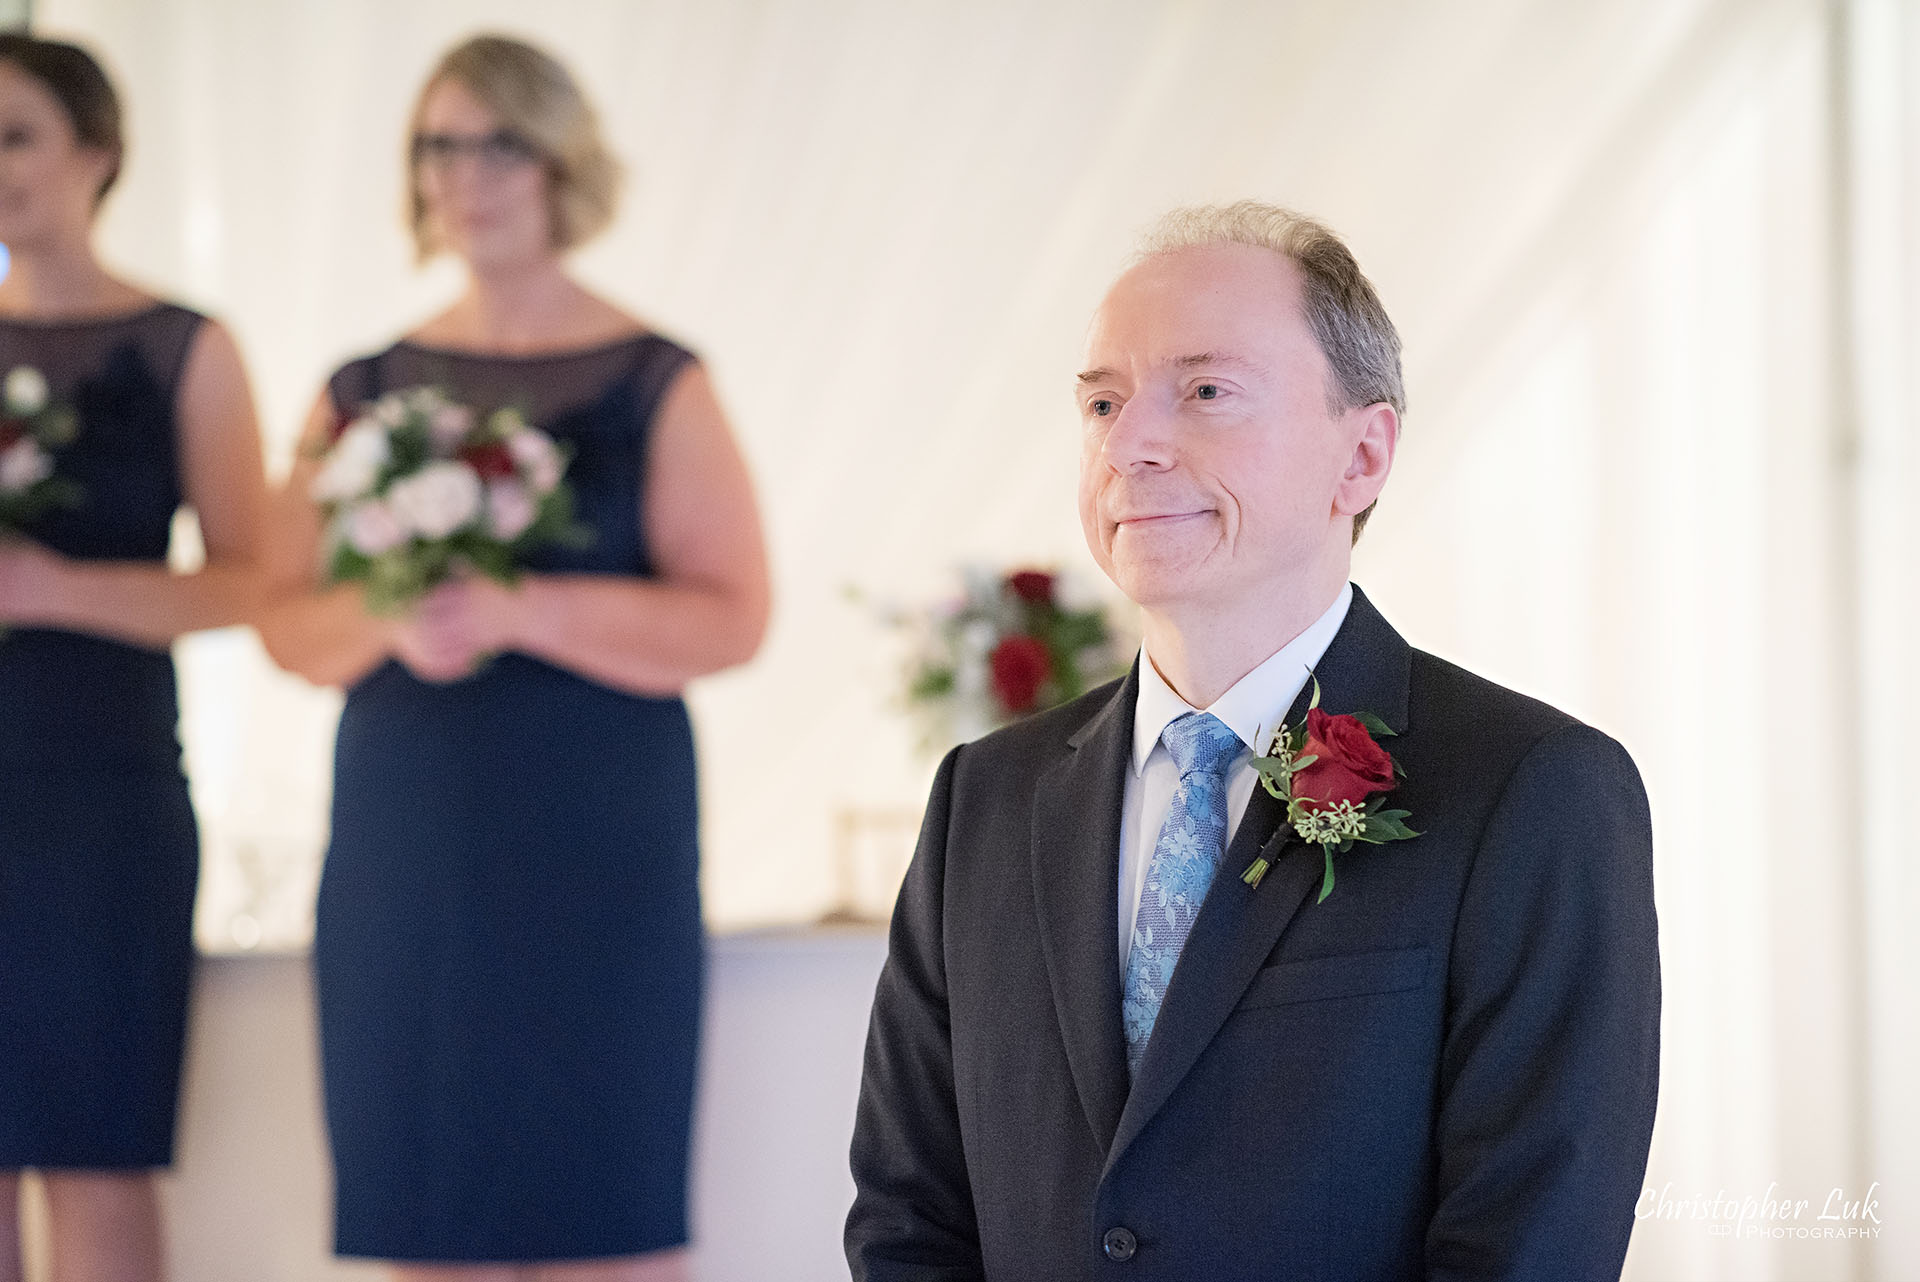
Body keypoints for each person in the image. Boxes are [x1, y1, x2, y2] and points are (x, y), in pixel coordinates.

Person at [846, 201, 1660, 1280]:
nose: (1129, 443)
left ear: (1362, 455)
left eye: (1205, 391)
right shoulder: (985, 800)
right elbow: (909, 1217)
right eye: (1101, 401)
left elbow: (1532, 1240)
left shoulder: (1532, 790)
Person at [257, 33, 768, 1281]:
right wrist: (388, 622)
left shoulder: (659, 379)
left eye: (497, 144)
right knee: (429, 1221)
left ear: (558, 164)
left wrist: (521, 608)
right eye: (439, 145)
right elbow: (284, 621)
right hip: (412, 849)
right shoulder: (361, 389)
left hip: (600, 847)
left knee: (610, 1218)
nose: (463, 175)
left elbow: (734, 616)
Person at [0, 31, 268, 1282]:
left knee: (96, 1157)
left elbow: (252, 581)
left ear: (97, 154)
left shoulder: (183, 347)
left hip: (98, 805)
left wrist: (55, 588)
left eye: (16, 134)